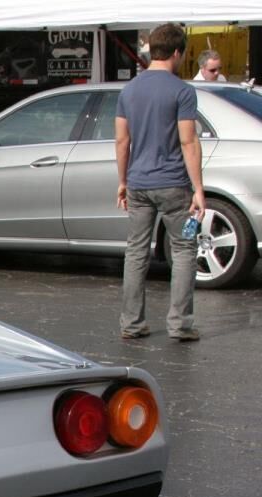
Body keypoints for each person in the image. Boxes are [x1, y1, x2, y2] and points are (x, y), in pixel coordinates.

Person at [116, 23, 205, 342]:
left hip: (139, 183)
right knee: (183, 249)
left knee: (136, 252)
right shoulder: (182, 91)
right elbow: (188, 141)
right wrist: (198, 189)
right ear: (177, 52)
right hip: (173, 185)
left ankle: (132, 323)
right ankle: (180, 324)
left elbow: (122, 140)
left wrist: (123, 181)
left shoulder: (129, 91)